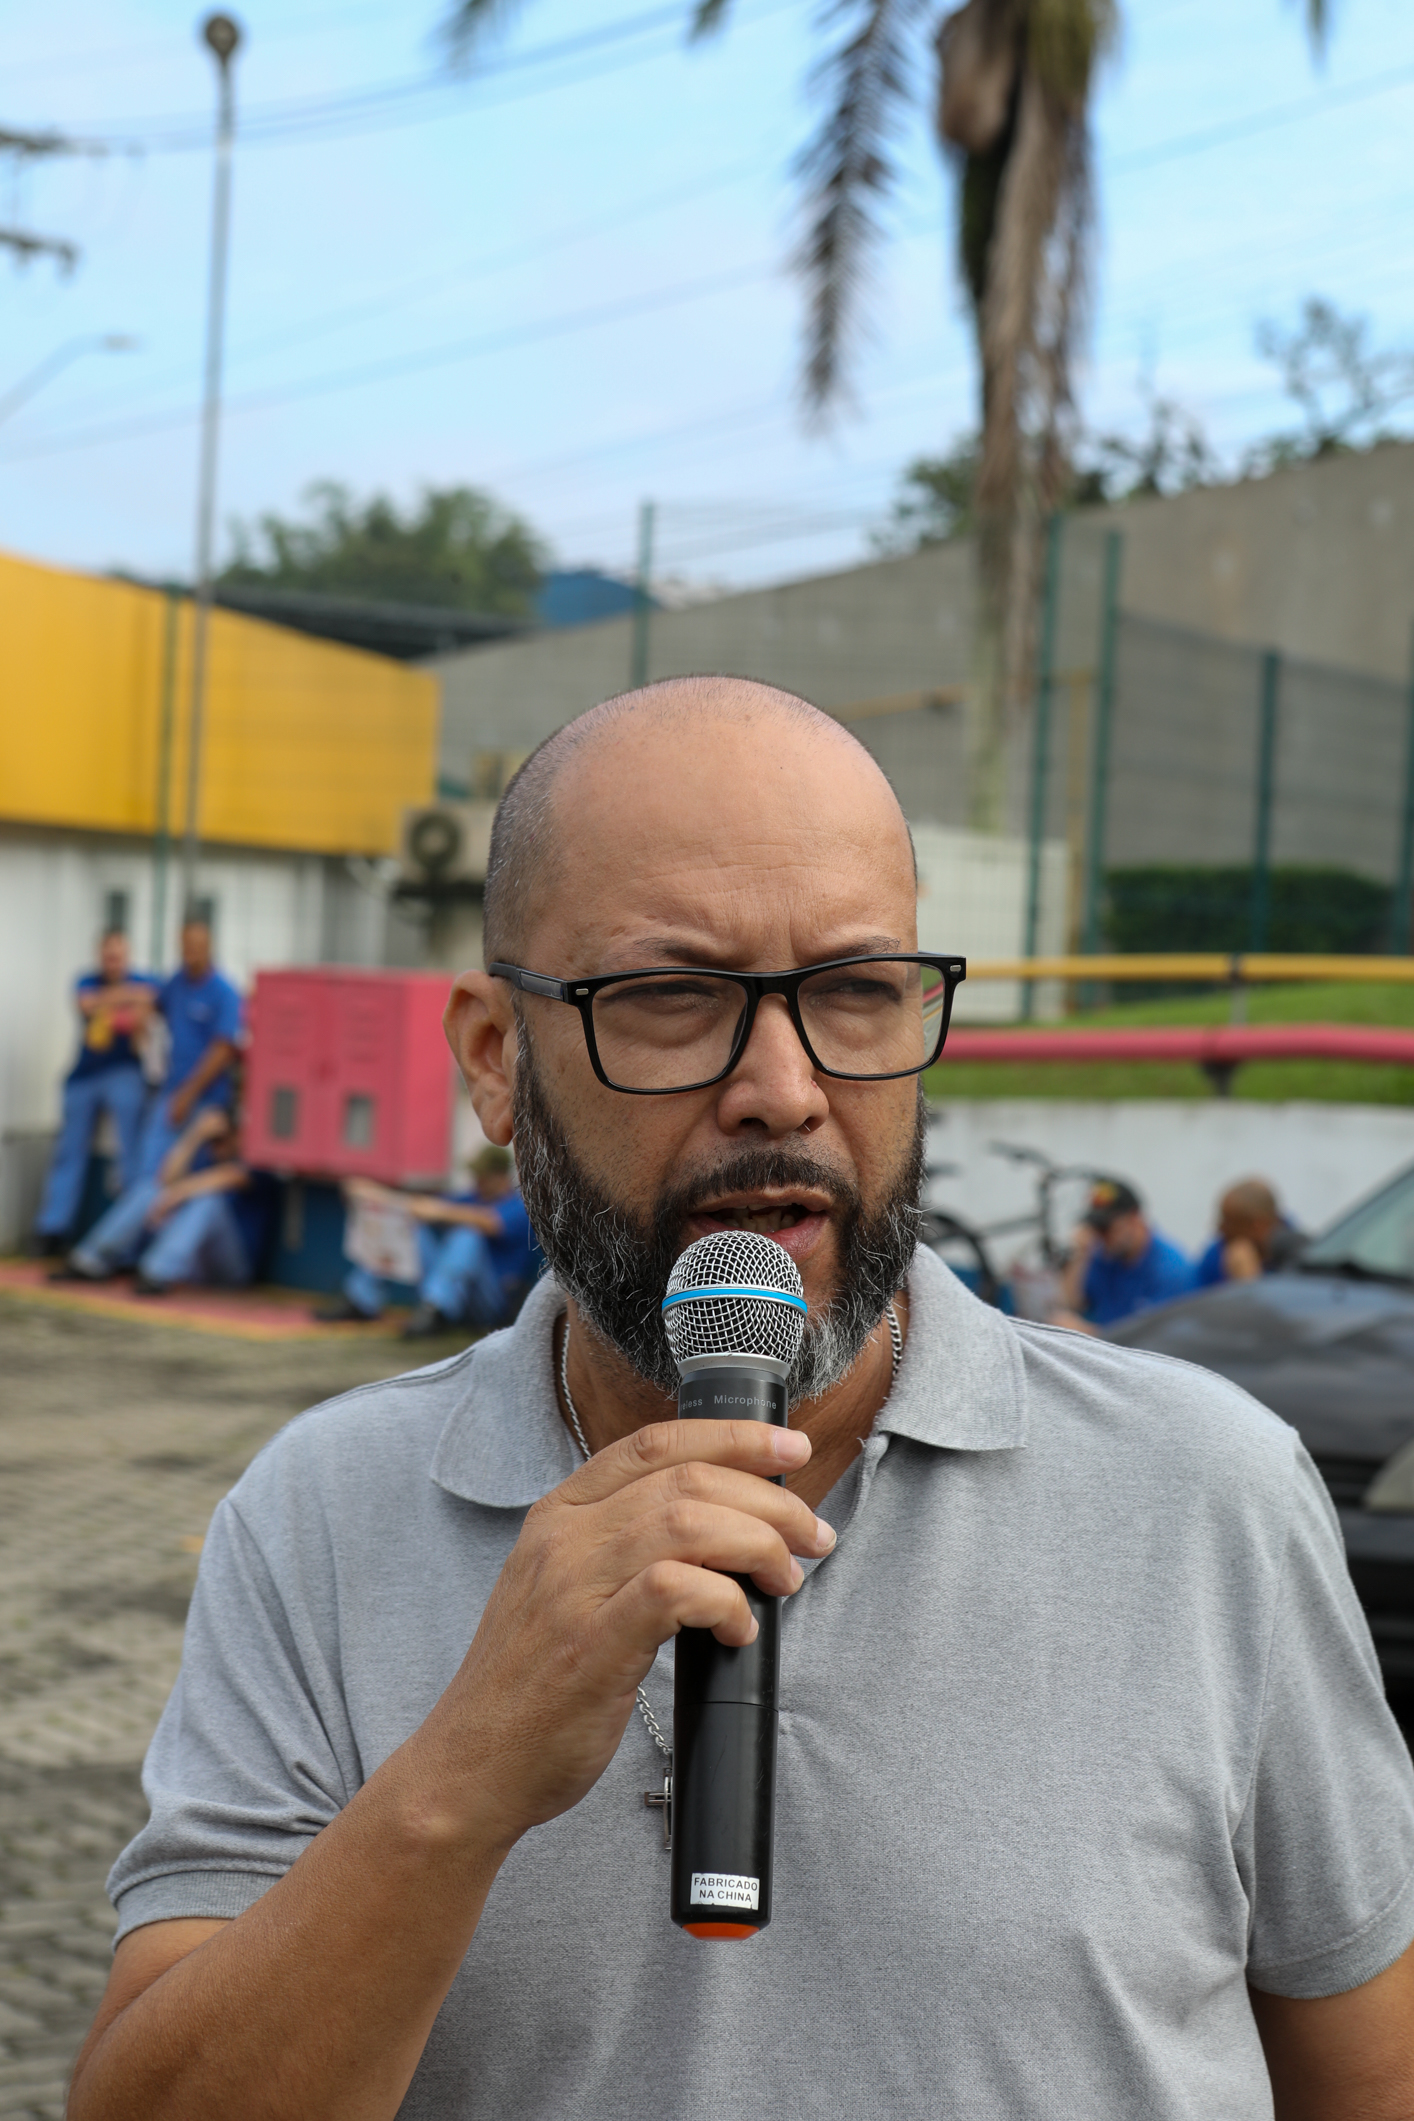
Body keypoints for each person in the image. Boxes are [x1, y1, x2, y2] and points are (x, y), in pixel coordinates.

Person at [72, 679, 1414, 2121]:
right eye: (669, 996)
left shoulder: (1207, 1491)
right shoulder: (320, 1515)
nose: (781, 1088)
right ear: (491, 1056)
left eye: (852, 991)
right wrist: (460, 1778)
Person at [316, 1143, 537, 1340]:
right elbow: (419, 1206)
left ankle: (435, 1310)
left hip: (489, 1303)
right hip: (453, 1296)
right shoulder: (471, 1197)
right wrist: (372, 1192)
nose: (477, 1181)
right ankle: (362, 1300)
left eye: (483, 1175)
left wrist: (440, 1212)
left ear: (500, 1177)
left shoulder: (519, 1205)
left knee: (468, 1235)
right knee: (408, 1228)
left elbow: (489, 1222)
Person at [28, 929, 159, 1255]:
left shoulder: (142, 980)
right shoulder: (86, 980)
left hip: (123, 1071)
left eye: (118, 955)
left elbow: (148, 1007)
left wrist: (123, 999)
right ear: (100, 955)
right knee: (68, 1151)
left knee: (130, 1151)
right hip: (86, 1075)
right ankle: (53, 1228)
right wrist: (128, 996)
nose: (112, 961)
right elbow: (87, 1004)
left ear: (127, 956)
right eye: (107, 954)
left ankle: (127, 1238)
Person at [55, 1104, 277, 1296]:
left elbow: (232, 1176)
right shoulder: (207, 1159)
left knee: (208, 1202)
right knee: (149, 1189)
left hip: (233, 1270)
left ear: (240, 1135)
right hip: (194, 1266)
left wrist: (177, 1193)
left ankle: (155, 1273)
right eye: (214, 1142)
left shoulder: (257, 1159)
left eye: (223, 1139)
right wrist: (195, 1135)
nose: (218, 1147)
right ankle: (90, 1261)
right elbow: (165, 1179)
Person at [136, 917, 243, 1178]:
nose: (191, 952)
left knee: (188, 1171)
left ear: (210, 947)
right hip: (172, 1091)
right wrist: (138, 1018)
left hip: (205, 1098)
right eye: (187, 946)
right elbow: (156, 1004)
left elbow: (224, 1050)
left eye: (198, 946)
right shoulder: (177, 983)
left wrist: (188, 1094)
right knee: (149, 1171)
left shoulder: (225, 992)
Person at [1052, 1175, 1196, 1332]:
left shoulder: (1170, 1270)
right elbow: (1072, 1304)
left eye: (1106, 1228)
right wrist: (1080, 1255)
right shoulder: (1105, 1257)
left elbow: (1156, 1343)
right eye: (1096, 1228)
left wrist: (1091, 1334)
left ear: (1134, 1219)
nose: (1101, 1236)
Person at [1196, 1177, 1305, 1287]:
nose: (1220, 1229)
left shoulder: (1301, 1259)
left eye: (1229, 1222)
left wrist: (1247, 1282)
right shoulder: (1216, 1254)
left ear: (1259, 1226)